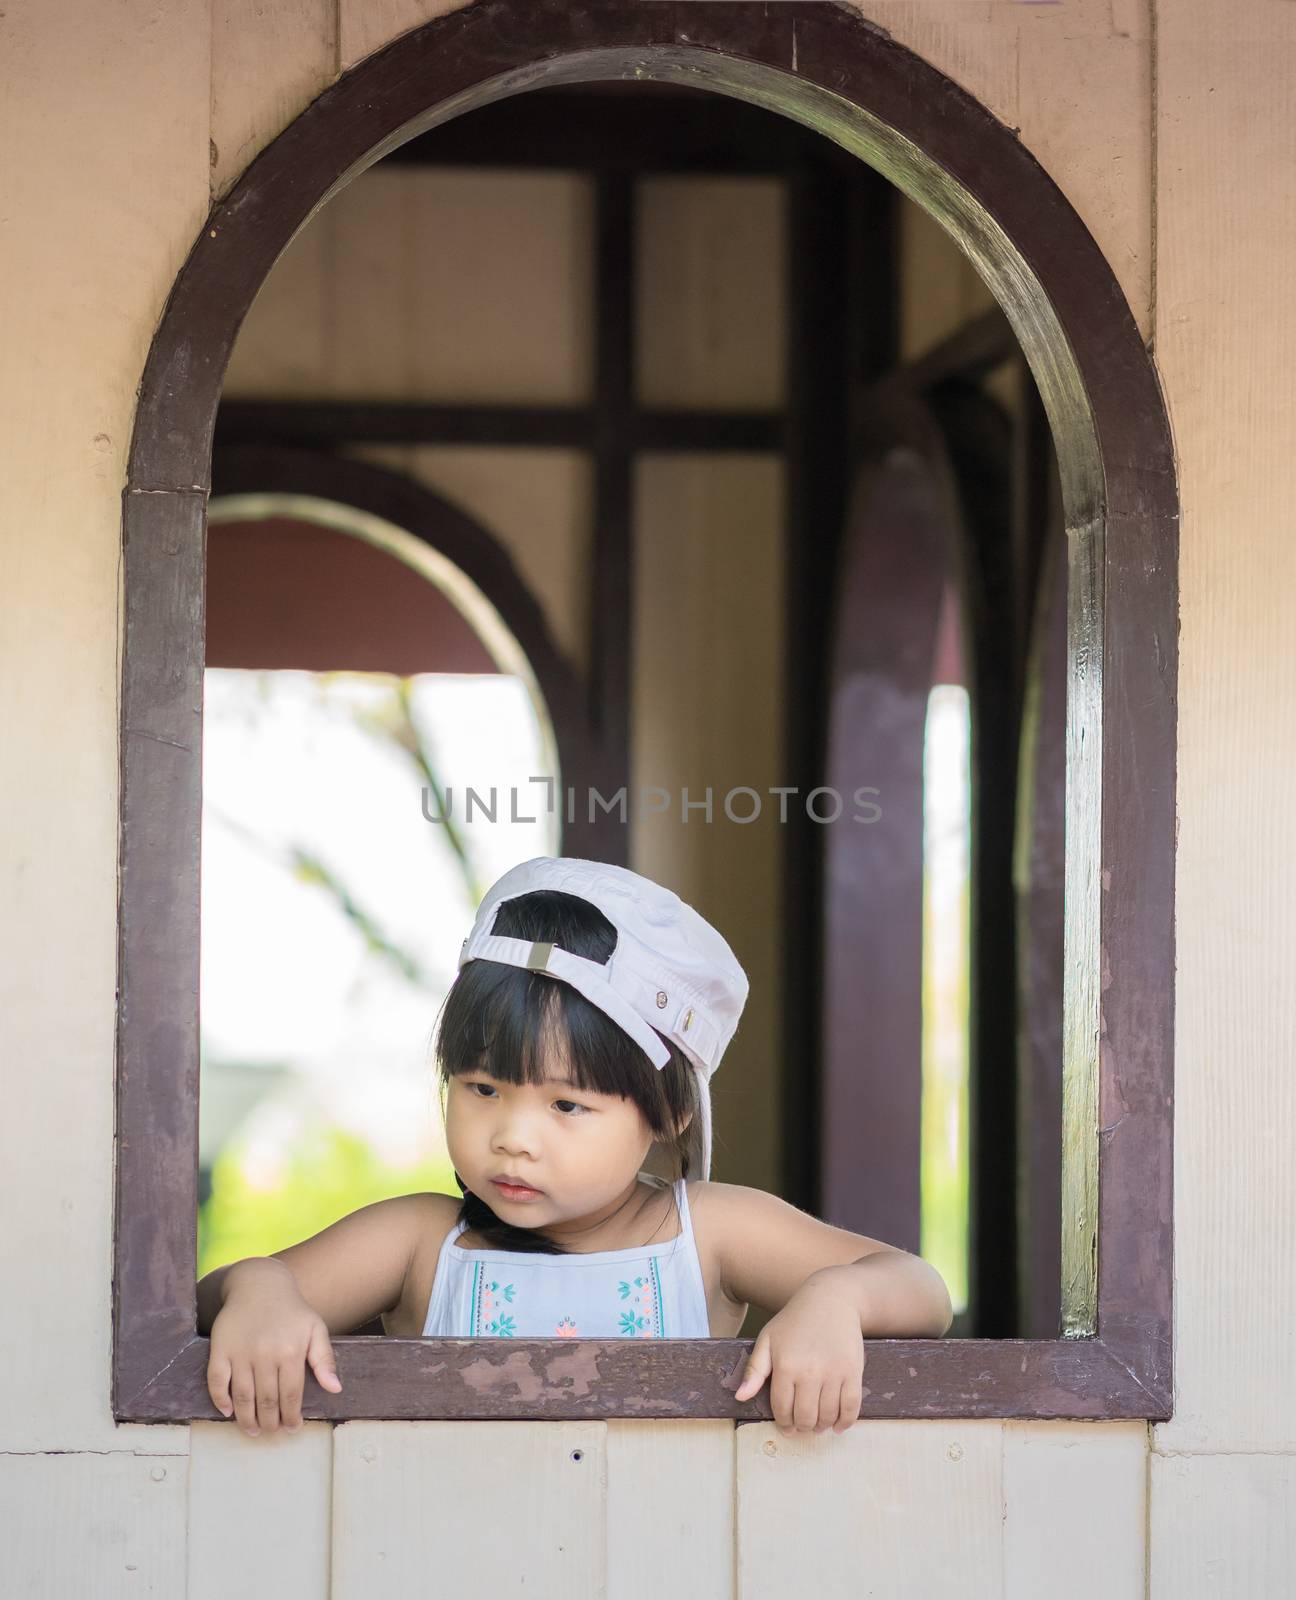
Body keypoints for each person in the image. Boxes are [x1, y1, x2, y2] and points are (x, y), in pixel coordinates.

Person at [198, 855, 952, 1441]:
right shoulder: (421, 1240)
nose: (513, 1138)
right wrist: (262, 1291)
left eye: (567, 1104)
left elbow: (920, 1289)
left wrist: (835, 1299)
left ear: (668, 1112)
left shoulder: (711, 1232)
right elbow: (207, 1302)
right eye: (482, 1089)